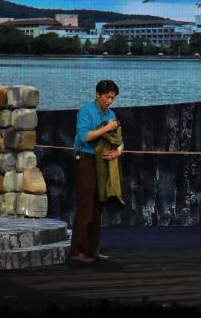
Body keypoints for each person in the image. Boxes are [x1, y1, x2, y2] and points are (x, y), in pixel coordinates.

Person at [70, 78, 123, 263]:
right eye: (107, 97)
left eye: (113, 98)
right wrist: (107, 127)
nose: (110, 101)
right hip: (85, 159)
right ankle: (77, 252)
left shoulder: (111, 114)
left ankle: (92, 250)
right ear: (98, 95)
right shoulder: (86, 111)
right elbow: (84, 136)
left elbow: (120, 139)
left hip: (103, 162)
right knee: (85, 205)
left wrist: (118, 151)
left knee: (98, 206)